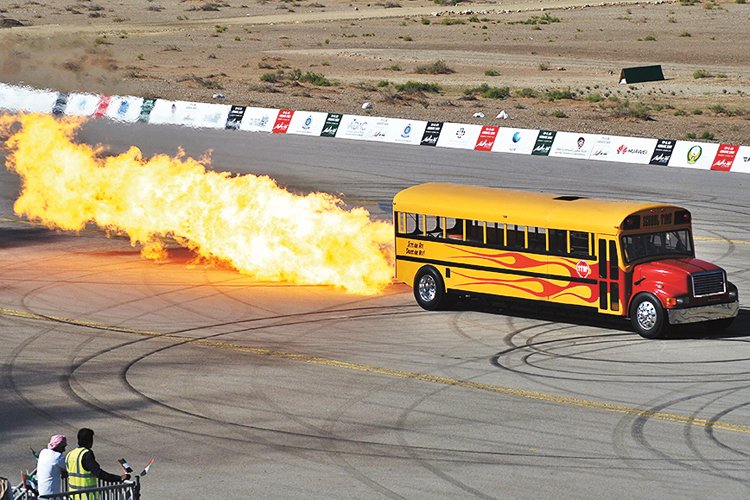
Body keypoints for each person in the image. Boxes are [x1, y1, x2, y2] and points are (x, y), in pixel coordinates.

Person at [65, 428, 129, 498]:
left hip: (73, 496)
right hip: (87, 496)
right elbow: (98, 473)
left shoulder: (70, 454)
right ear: (88, 440)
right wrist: (119, 478)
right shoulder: (86, 454)